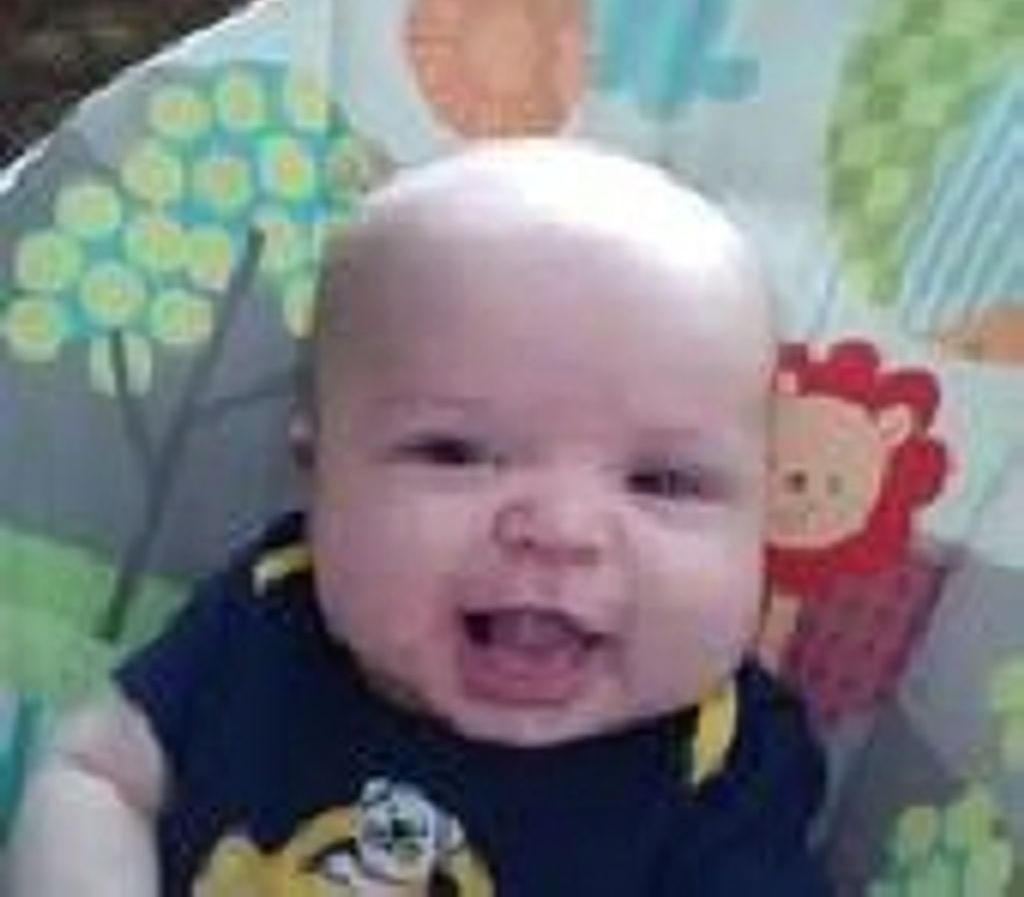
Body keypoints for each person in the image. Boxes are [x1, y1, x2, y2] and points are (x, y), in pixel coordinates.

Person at [10, 139, 828, 895]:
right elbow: (98, 775)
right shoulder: (270, 610)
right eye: (454, 453)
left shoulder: (726, 759)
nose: (561, 528)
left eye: (664, 481)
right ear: (318, 471)